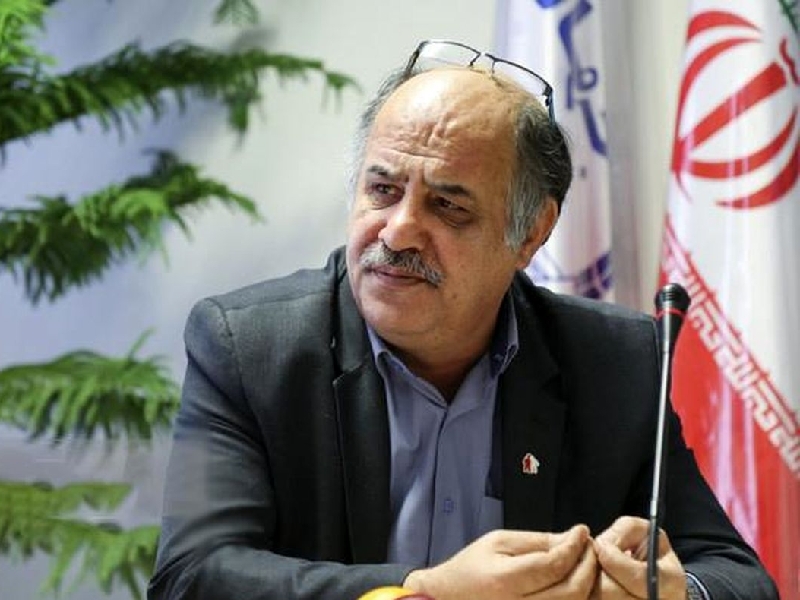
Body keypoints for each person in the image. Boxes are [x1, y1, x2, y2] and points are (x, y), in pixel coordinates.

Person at [147, 40, 779, 600]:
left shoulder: (615, 361)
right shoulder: (248, 346)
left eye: (448, 206)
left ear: (531, 234)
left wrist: (668, 593)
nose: (398, 231)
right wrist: (421, 592)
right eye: (382, 190)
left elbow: (738, 578)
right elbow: (190, 577)